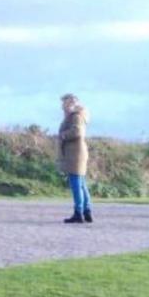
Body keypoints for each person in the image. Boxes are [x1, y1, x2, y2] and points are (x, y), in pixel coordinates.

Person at [58, 93, 92, 223]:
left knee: (76, 183)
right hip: (75, 153)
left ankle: (79, 212)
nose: (62, 106)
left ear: (70, 103)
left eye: (64, 103)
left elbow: (78, 132)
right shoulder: (76, 116)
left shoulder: (76, 116)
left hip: (75, 154)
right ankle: (86, 211)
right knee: (81, 183)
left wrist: (63, 135)